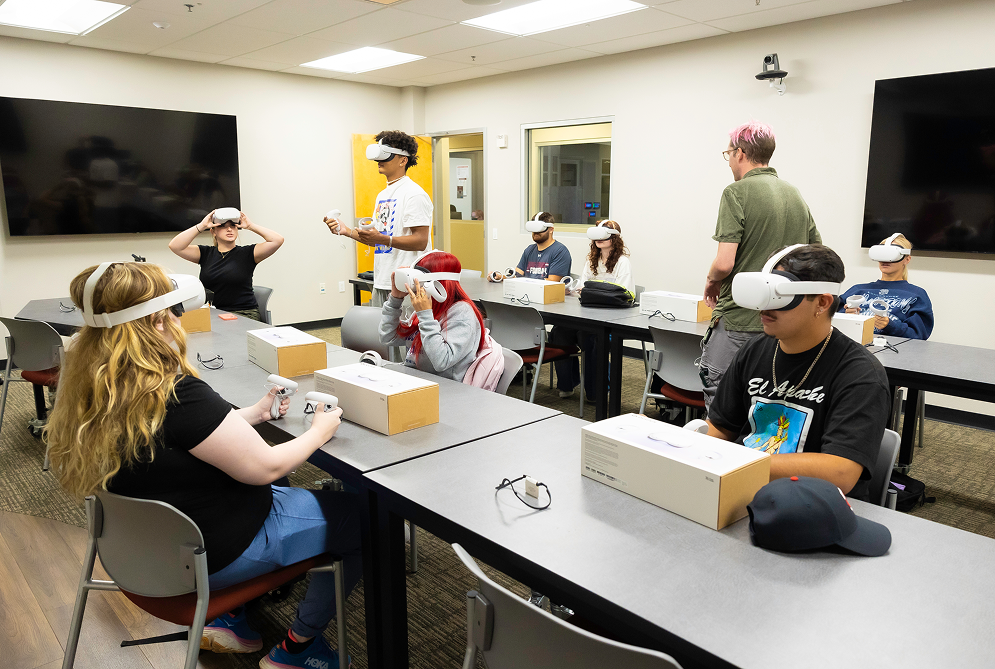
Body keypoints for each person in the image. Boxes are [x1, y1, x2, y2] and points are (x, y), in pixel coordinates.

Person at [44, 262, 360, 669]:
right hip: (212, 555)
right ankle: (298, 649)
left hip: (146, 553)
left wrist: (254, 414)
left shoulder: (94, 385)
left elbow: (177, 438)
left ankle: (231, 619)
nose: (180, 320)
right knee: (361, 518)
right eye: (176, 312)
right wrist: (320, 429)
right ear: (158, 321)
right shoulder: (176, 393)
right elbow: (264, 468)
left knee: (286, 487)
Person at [705, 245, 891, 501]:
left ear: (822, 302)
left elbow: (841, 471)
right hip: (743, 487)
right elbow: (720, 427)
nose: (764, 308)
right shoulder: (754, 350)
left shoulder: (860, 374)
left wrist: (738, 462)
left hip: (811, 503)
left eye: (779, 297)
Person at [700, 121, 821, 413]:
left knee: (724, 401)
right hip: (783, 322)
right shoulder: (794, 194)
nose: (728, 160)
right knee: (766, 404)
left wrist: (711, 279)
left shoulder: (736, 192)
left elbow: (725, 262)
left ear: (740, 153)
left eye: (728, 153)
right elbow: (816, 254)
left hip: (741, 319)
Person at [325, 130, 432, 307]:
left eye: (386, 156)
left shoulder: (414, 194)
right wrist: (347, 231)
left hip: (408, 284)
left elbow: (421, 241)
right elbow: (379, 240)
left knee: (404, 335)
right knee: (380, 334)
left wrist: (383, 239)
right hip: (382, 280)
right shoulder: (383, 194)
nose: (379, 161)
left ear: (403, 160)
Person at [554, 220, 632, 399]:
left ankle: (596, 392)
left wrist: (594, 291)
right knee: (559, 332)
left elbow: (623, 294)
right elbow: (582, 288)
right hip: (587, 314)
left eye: (603, 235)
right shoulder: (592, 260)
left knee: (591, 339)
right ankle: (567, 384)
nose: (599, 239)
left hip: (611, 320)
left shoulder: (622, 262)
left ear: (614, 237)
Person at [379, 250, 486, 381]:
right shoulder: (429, 308)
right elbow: (388, 338)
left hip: (444, 389)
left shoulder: (462, 312)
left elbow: (442, 361)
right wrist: (395, 300)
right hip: (416, 380)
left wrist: (424, 315)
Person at [168, 209, 284, 321]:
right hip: (213, 313)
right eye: (222, 226)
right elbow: (175, 246)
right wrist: (202, 226)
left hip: (243, 313)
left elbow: (277, 240)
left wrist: (250, 226)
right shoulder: (205, 253)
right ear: (213, 231)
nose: (229, 229)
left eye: (233, 226)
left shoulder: (249, 253)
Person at [838, 233, 933, 339]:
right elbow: (831, 323)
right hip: (855, 348)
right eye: (882, 254)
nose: (885, 260)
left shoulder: (916, 295)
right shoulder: (857, 290)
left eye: (892, 254)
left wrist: (890, 325)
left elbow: (919, 336)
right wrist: (847, 316)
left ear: (907, 259)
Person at [487, 211, 571, 282]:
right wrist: (500, 277)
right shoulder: (529, 250)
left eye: (539, 229)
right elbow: (517, 275)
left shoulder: (560, 252)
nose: (535, 232)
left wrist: (525, 283)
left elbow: (551, 284)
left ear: (551, 230)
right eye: (533, 229)